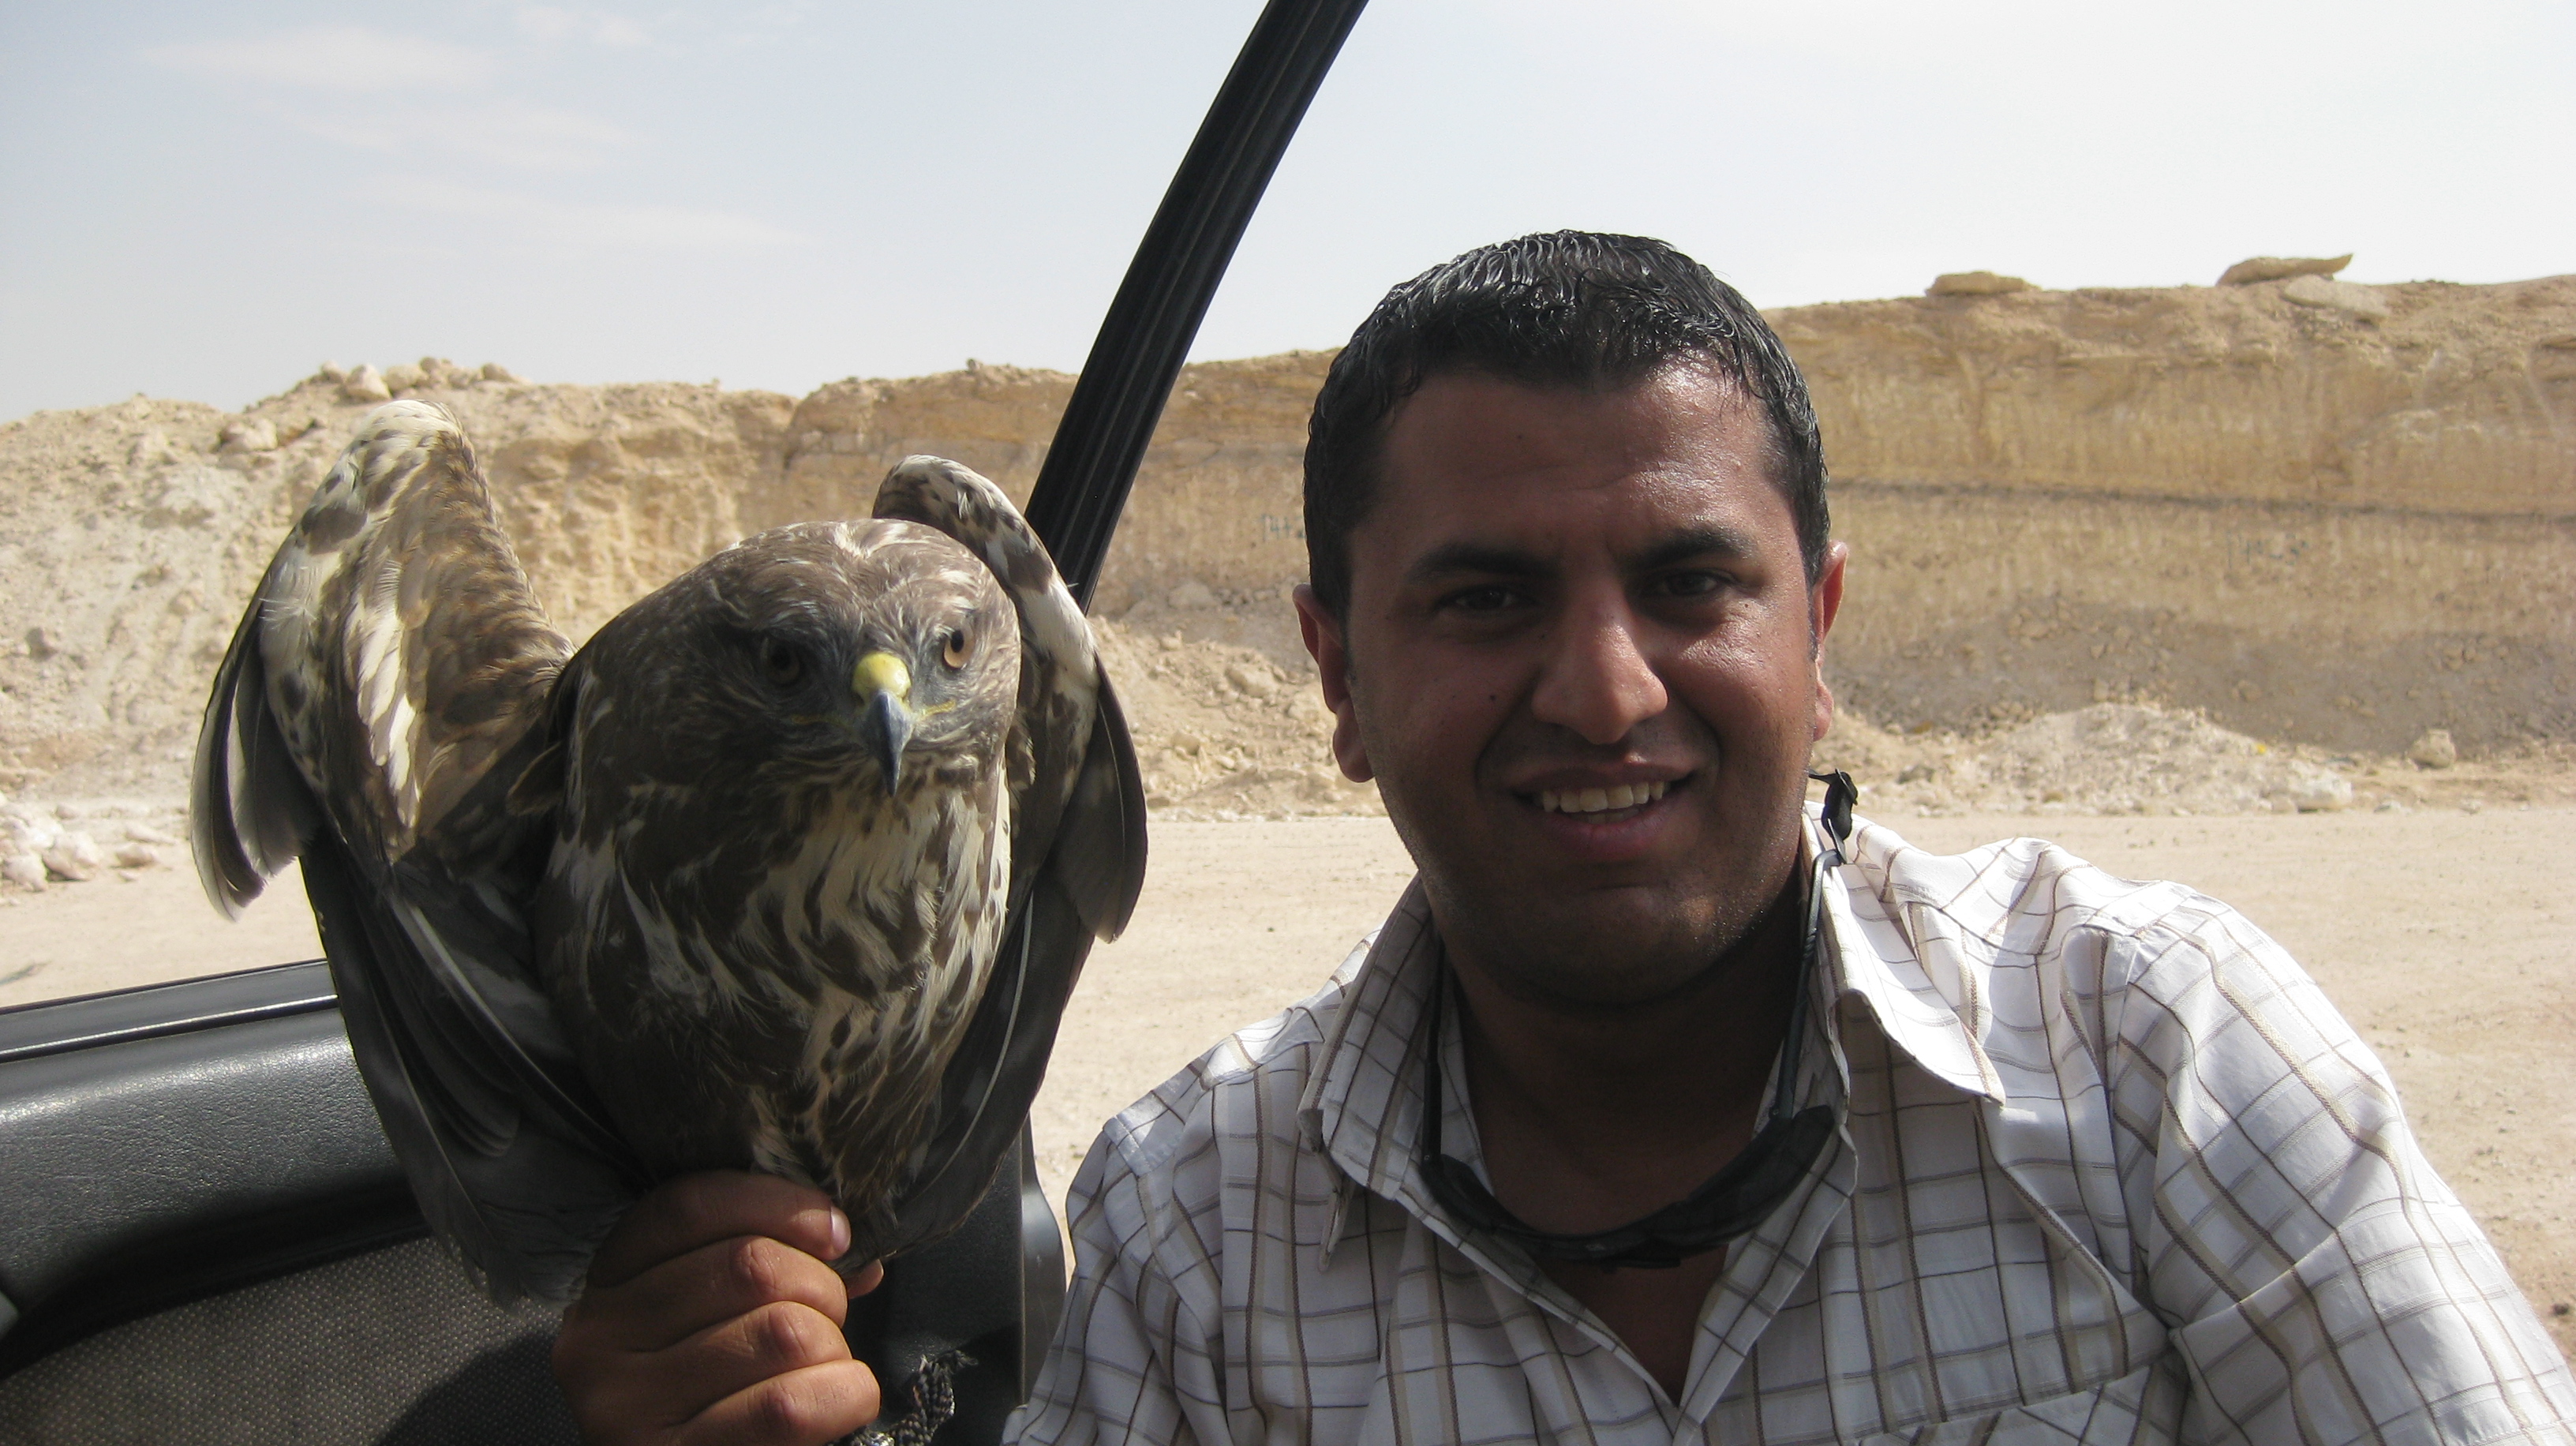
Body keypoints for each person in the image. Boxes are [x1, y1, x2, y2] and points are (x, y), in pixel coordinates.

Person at [551, 232, 2576, 1445]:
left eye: (1691, 584)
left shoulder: (2151, 1052)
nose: (1606, 692)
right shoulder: (1193, 1226)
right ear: (1336, 675)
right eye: (1488, 598)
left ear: (1821, 635)